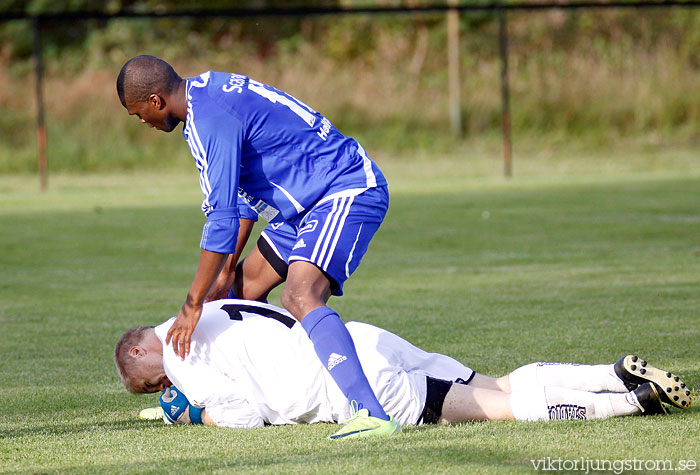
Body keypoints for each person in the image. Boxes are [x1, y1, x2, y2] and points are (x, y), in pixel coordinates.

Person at [116, 55, 396, 438]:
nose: (143, 122)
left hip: (343, 188)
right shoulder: (207, 95)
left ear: (155, 101)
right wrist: (227, 268)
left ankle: (371, 413)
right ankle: (223, 393)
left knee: (300, 294)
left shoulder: (208, 118)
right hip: (302, 206)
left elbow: (222, 218)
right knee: (238, 292)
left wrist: (193, 303)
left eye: (138, 114)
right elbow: (243, 193)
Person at [115, 299, 692, 436]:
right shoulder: (211, 307)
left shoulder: (181, 356)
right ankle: (613, 371)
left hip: (351, 384)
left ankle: (629, 402)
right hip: (360, 339)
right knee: (497, 384)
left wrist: (196, 417)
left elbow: (244, 417)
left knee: (496, 408)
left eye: (153, 379)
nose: (164, 383)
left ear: (144, 352)